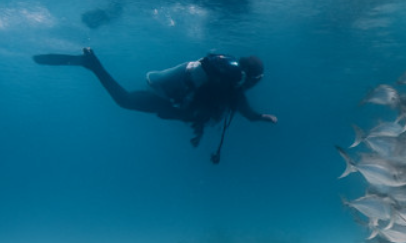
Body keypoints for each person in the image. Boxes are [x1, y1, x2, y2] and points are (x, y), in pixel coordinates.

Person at [33, 48, 277, 163]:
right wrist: (262, 117)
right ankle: (92, 64)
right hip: (170, 101)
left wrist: (197, 130)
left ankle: (92, 63)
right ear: (250, 78)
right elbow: (244, 112)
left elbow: (203, 105)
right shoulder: (231, 88)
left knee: (124, 100)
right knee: (125, 101)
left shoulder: (223, 80)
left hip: (165, 93)